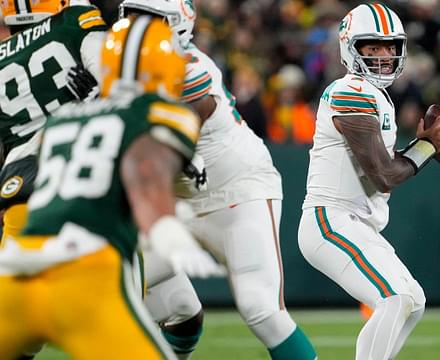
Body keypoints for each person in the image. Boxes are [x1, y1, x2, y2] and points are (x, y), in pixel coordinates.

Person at [0, 14, 219, 359]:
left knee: (180, 307)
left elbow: (18, 173)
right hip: (90, 268)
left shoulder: (65, 117)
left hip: (21, 269)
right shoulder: (162, 115)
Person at [118, 1, 318, 359]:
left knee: (261, 309)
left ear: (177, 25)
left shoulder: (192, 68)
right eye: (132, 15)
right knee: (135, 294)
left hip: (236, 194)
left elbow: (174, 133)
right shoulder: (115, 67)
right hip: (178, 205)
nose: (135, 25)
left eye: (147, 18)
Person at [297, 4, 440, 360]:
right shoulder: (350, 90)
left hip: (355, 222)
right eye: (373, 47)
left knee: (413, 301)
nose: (384, 56)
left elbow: (383, 168)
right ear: (350, 48)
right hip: (330, 220)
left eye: (390, 47)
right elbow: (384, 175)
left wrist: (423, 148)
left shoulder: (375, 95)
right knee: (395, 297)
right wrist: (426, 148)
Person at [0, 0, 106, 244]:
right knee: (122, 276)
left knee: (15, 278)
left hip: (22, 189)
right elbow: (122, 85)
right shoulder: (75, 20)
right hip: (85, 176)